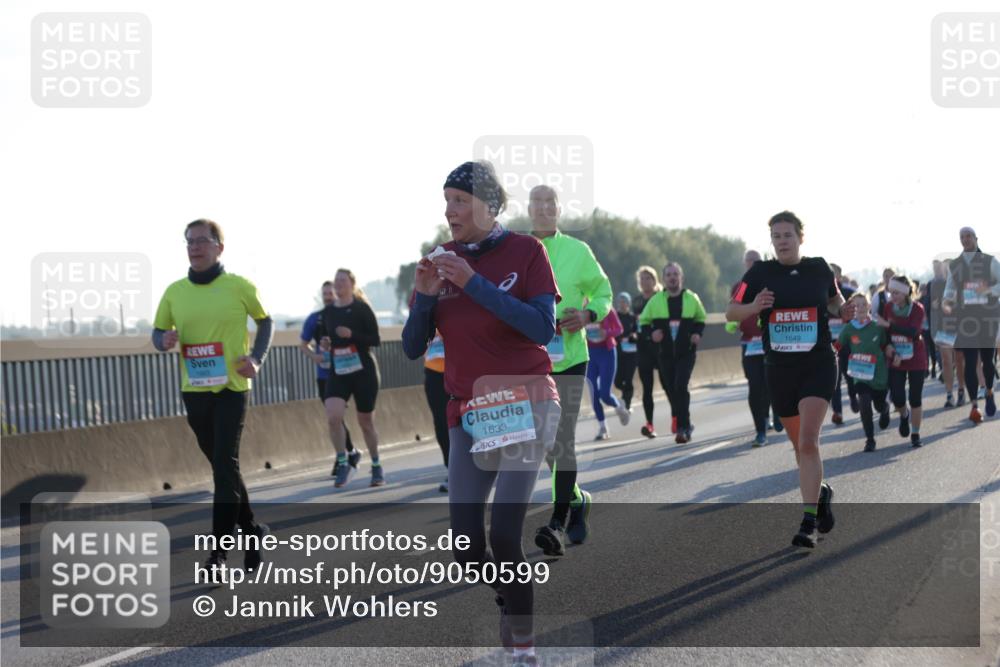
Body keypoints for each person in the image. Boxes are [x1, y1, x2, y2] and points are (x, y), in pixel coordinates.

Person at [401, 160, 561, 665]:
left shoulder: (527, 251)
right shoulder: (440, 260)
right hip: (469, 413)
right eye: (446, 201)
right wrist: (425, 301)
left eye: (460, 201)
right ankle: (507, 598)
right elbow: (411, 347)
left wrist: (473, 283)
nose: (450, 212)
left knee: (505, 534)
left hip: (527, 401)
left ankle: (524, 647)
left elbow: (541, 328)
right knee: (467, 548)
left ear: (489, 206)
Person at [152, 219, 272, 576]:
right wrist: (164, 341)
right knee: (224, 466)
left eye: (202, 240)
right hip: (195, 390)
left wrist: (256, 359)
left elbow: (265, 321)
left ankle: (217, 556)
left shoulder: (239, 286)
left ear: (220, 247)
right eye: (189, 241)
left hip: (232, 388)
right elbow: (158, 332)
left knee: (223, 465)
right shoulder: (175, 291)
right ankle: (251, 530)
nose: (194, 246)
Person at [727, 211, 850, 549]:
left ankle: (808, 523)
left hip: (818, 363)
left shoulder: (819, 268)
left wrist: (844, 310)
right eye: (776, 236)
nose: (782, 241)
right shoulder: (758, 273)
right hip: (779, 368)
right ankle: (820, 493)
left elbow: (834, 300)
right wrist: (754, 305)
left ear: (800, 238)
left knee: (810, 442)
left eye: (787, 235)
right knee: (800, 449)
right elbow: (731, 312)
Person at [530, 184, 612, 555]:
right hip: (529, 362)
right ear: (529, 209)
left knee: (562, 438)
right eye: (538, 202)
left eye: (551, 203)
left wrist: (587, 313)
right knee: (545, 442)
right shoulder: (518, 252)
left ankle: (558, 522)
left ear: (559, 210)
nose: (545, 208)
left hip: (571, 359)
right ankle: (577, 499)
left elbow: (603, 293)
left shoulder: (579, 251)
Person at [321, 269, 384, 487]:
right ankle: (343, 462)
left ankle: (376, 466)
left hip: (363, 371)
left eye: (343, 280)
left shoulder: (361, 308)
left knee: (365, 421)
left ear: (352, 284)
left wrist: (352, 335)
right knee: (333, 416)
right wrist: (326, 343)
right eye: (336, 280)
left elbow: (376, 339)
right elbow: (328, 336)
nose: (338, 284)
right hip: (339, 370)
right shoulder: (328, 312)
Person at [638, 262, 707, 444]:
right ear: (663, 279)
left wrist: (696, 333)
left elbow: (701, 318)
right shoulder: (656, 301)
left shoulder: (691, 298)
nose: (672, 277)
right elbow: (643, 322)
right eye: (668, 275)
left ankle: (683, 428)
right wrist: (651, 334)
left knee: (681, 385)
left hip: (686, 352)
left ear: (681, 278)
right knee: (671, 389)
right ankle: (687, 424)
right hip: (665, 354)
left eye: (675, 274)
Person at [299, 280, 359, 476]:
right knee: (334, 417)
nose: (327, 296)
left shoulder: (345, 315)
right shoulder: (314, 319)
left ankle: (344, 455)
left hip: (345, 372)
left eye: (330, 293)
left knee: (336, 417)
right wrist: (314, 356)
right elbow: (303, 344)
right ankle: (349, 452)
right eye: (324, 293)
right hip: (324, 375)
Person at [942, 226, 1000, 423]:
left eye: (968, 236)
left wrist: (989, 290)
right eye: (962, 237)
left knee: (987, 360)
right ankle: (974, 405)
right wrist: (946, 303)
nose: (965, 240)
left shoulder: (990, 261)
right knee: (968, 360)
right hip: (965, 318)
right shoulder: (955, 264)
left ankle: (990, 391)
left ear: (976, 238)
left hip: (987, 317)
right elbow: (949, 288)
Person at [727, 249, 774, 447]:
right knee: (755, 386)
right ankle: (760, 430)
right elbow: (731, 311)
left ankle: (775, 413)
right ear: (745, 264)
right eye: (750, 261)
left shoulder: (771, 283)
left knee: (770, 383)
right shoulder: (740, 286)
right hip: (749, 344)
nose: (753, 264)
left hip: (771, 342)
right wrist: (735, 323)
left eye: (757, 261)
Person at [839, 292, 893, 451]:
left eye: (863, 304)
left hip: (878, 374)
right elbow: (838, 345)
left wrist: (892, 353)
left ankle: (885, 409)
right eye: (856, 306)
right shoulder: (849, 328)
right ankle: (870, 439)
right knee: (864, 402)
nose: (860, 308)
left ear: (869, 306)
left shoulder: (877, 326)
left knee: (879, 405)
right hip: (860, 374)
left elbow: (885, 345)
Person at [877, 276, 928, 446]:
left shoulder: (917, 309)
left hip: (916, 357)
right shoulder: (888, 307)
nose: (893, 296)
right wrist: (888, 348)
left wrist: (889, 326)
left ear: (906, 292)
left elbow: (913, 332)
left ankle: (915, 434)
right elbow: (883, 335)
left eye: (897, 293)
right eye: (891, 293)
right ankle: (904, 414)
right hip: (896, 357)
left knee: (915, 397)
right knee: (897, 397)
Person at [633, 266, 668, 438]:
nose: (645, 281)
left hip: (660, 347)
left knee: (668, 384)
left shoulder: (661, 298)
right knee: (647, 389)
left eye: (648, 278)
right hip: (643, 348)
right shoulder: (637, 301)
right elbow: (634, 324)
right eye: (642, 279)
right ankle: (650, 425)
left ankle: (678, 418)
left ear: (655, 281)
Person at [585, 308, 629, 440]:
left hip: (607, 353)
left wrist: (607, 332)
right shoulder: (580, 311)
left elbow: (619, 329)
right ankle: (603, 428)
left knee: (605, 394)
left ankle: (619, 406)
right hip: (589, 354)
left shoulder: (607, 310)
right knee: (593, 393)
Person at [933, 259, 966, 407]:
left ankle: (961, 390)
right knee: (946, 360)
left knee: (959, 360)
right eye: (945, 268)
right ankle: (949, 395)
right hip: (944, 327)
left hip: (961, 326)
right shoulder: (937, 284)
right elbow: (933, 306)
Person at [829, 263, 858, 424]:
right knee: (834, 378)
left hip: (848, 341)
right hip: (829, 342)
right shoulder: (819, 294)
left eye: (833, 274)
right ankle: (837, 411)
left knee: (849, 374)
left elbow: (861, 312)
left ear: (839, 277)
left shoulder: (848, 293)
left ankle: (853, 396)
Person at [423, 329, 450, 493]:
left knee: (467, 421)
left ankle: (479, 465)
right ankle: (451, 469)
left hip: (463, 369)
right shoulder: (426, 304)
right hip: (434, 371)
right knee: (441, 423)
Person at [613, 292, 639, 412]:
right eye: (620, 302)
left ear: (628, 304)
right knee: (617, 381)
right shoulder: (615, 316)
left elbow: (638, 332)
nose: (622, 304)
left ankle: (626, 404)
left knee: (628, 379)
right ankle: (626, 393)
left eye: (625, 302)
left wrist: (634, 336)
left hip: (631, 353)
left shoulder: (633, 318)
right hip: (618, 353)